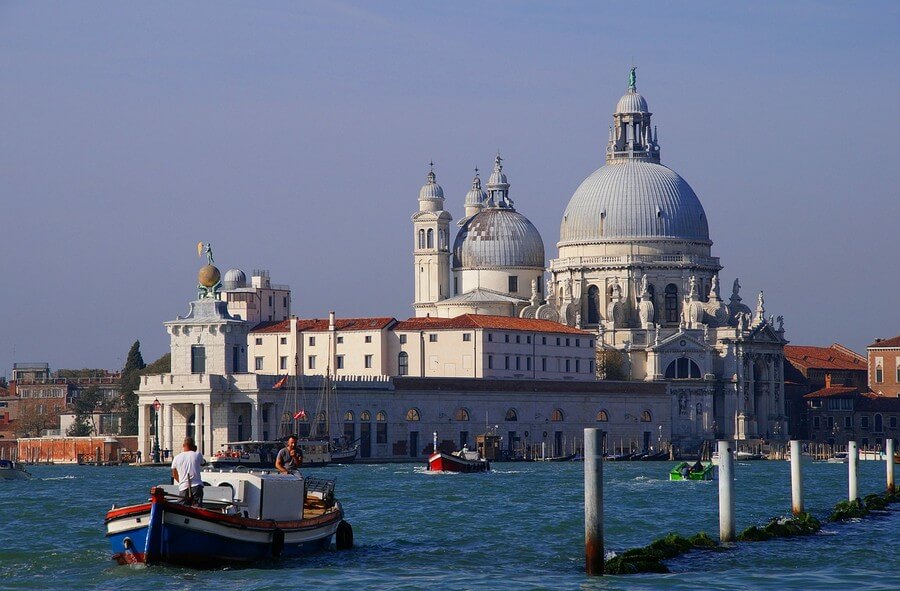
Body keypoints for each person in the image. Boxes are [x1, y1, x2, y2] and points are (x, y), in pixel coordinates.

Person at [171, 437, 204, 506]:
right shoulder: (197, 454)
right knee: (197, 507)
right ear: (194, 446)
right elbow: (203, 463)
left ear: (183, 446)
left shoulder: (176, 458)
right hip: (196, 485)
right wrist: (195, 451)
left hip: (183, 486)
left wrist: (181, 481)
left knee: (182, 507)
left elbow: (174, 474)